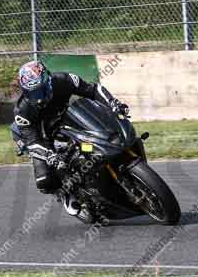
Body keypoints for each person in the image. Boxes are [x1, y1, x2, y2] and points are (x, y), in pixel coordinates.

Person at [11, 60, 128, 214]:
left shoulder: (63, 80)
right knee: (45, 181)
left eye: (41, 91)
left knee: (91, 144)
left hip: (66, 120)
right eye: (33, 93)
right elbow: (32, 141)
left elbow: (93, 89)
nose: (38, 98)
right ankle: (67, 193)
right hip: (42, 137)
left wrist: (113, 103)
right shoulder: (22, 111)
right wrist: (49, 154)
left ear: (49, 81)